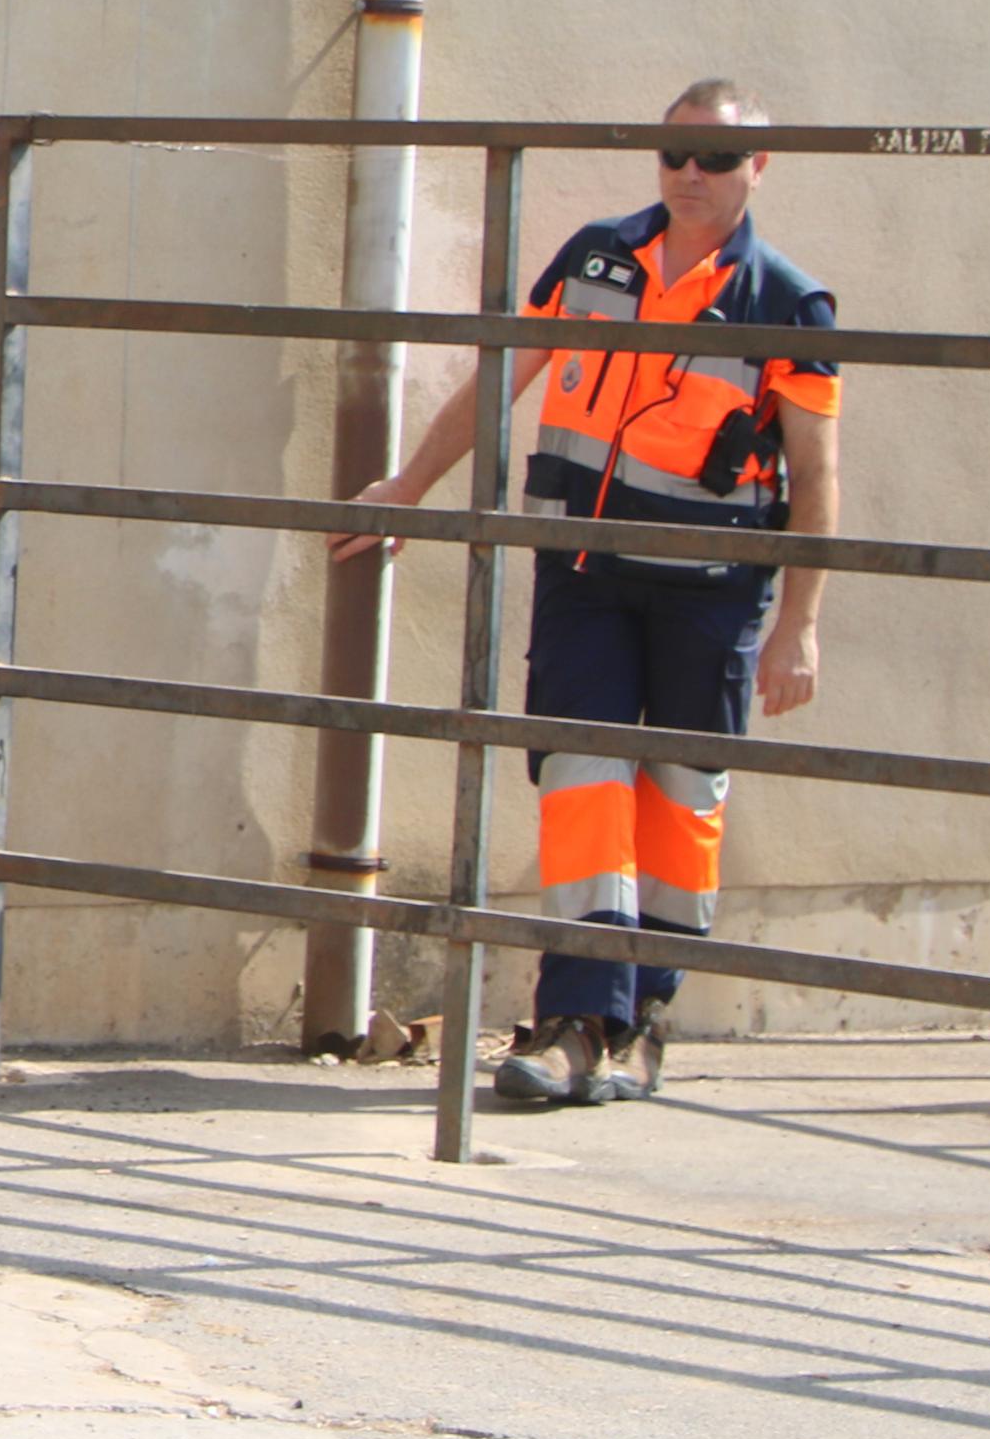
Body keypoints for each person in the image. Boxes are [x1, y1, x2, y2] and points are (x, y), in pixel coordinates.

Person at [339, 78, 843, 1108]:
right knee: (579, 778)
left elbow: (817, 474)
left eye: (711, 157)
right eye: (672, 154)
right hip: (582, 575)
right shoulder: (594, 259)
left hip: (711, 587)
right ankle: (569, 1016)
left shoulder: (787, 301)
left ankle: (637, 1019)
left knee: (679, 803)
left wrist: (799, 624)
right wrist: (408, 486)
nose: (687, 174)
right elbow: (503, 373)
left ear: (761, 165)